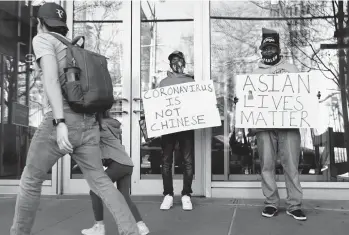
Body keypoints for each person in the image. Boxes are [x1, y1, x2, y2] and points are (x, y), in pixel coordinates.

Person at [10, 3, 140, 235]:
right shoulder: (72, 47)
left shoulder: (42, 40)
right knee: (100, 181)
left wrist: (60, 123)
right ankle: (130, 230)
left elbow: (51, 81)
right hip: (88, 123)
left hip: (62, 120)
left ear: (40, 23)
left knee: (30, 181)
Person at [251, 28, 307, 221]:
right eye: (265, 48)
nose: (269, 51)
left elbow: (303, 93)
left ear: (278, 48)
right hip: (264, 125)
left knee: (291, 164)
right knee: (267, 164)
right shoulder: (254, 73)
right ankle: (271, 203)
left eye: (272, 47)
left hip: (289, 125)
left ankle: (294, 205)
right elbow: (250, 98)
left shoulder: (291, 69)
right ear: (261, 50)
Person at [82, 112, 150, 235]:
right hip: (126, 164)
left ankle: (99, 227)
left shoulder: (99, 126)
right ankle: (141, 226)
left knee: (95, 191)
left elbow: (87, 141)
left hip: (118, 164)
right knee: (124, 197)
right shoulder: (110, 126)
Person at [158, 51, 195, 211]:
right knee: (166, 161)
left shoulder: (191, 81)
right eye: (173, 60)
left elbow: (197, 103)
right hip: (168, 126)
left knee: (187, 161)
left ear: (184, 62)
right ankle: (168, 195)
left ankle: (186, 194)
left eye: (179, 59)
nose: (176, 62)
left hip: (185, 126)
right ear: (170, 64)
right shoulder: (163, 83)